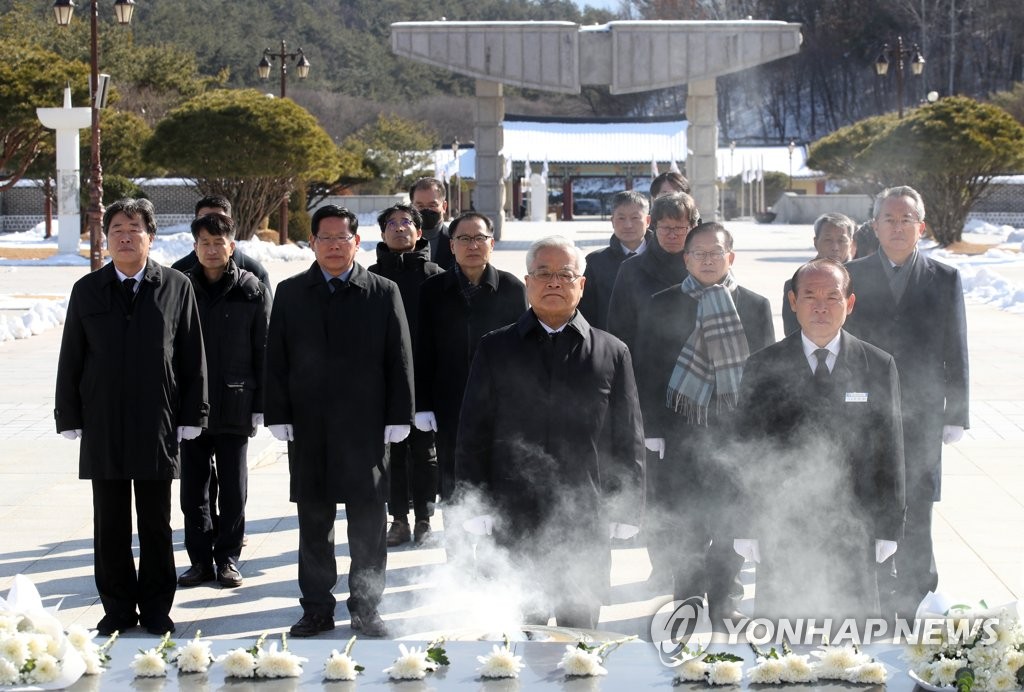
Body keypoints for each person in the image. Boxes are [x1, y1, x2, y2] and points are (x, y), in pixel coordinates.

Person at [455, 236, 646, 628]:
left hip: (585, 514)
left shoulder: (611, 352)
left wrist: (626, 505)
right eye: (543, 273)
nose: (554, 282)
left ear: (582, 284)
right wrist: (475, 501)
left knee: (581, 639)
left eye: (565, 274)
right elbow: (473, 431)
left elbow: (628, 438)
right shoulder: (497, 348)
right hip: (514, 511)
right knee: (524, 633)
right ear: (528, 281)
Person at [55, 198, 208, 636]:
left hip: (157, 419)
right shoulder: (87, 289)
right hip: (103, 421)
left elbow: (192, 356)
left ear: (150, 236)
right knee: (110, 523)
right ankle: (118, 609)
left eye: (134, 228)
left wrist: (194, 411)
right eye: (117, 228)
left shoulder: (176, 286)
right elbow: (72, 356)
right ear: (106, 238)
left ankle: (158, 608)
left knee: (156, 521)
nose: (125, 236)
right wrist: (68, 413)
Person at [264, 205, 414, 638]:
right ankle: (316, 608)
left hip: (366, 428)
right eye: (324, 238)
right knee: (314, 523)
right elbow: (277, 357)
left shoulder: (382, 292)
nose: (333, 245)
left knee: (368, 525)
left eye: (341, 237)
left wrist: (399, 415)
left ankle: (367, 607)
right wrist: (278, 413)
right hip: (310, 428)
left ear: (357, 242)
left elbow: (399, 357)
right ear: (312, 244)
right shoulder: (292, 292)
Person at [732, 259, 905, 624]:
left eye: (832, 296)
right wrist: (744, 525)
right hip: (783, 524)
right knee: (782, 648)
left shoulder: (877, 364)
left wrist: (888, 526)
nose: (821, 306)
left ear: (850, 303)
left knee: (852, 646)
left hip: (854, 524)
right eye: (810, 296)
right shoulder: (763, 365)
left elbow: (890, 451)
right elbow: (745, 449)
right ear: (793, 302)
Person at [635, 222, 774, 622]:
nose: (708, 260)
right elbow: (646, 369)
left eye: (716, 253)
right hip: (679, 430)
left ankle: (725, 600)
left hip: (735, 432)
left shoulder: (755, 305)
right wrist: (652, 430)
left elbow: (764, 373)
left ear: (731, 257)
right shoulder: (661, 302)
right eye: (699, 253)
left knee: (730, 520)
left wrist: (761, 433)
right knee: (687, 522)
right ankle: (688, 602)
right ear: (686, 259)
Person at [844, 186, 969, 619]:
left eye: (906, 219)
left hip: (922, 412)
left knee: (917, 506)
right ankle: (869, 593)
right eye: (889, 219)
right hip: (863, 410)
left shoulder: (945, 279)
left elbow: (957, 347)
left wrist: (957, 413)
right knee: (866, 500)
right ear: (874, 225)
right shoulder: (850, 275)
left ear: (922, 226)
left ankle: (918, 595)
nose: (897, 227)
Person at [177, 212, 271, 589]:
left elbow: (264, 349)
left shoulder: (251, 288)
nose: (212, 250)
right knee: (192, 491)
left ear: (232, 246)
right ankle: (199, 560)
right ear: (195, 247)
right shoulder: (181, 287)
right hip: (192, 406)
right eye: (205, 243)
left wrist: (263, 402)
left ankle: (228, 558)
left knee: (233, 488)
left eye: (219, 243)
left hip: (236, 402)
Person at [414, 212, 527, 500]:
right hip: (449, 403)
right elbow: (422, 350)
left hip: (501, 405)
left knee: (498, 480)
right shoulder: (432, 291)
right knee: (454, 483)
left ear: (492, 243)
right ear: (451, 245)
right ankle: (460, 545)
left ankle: (497, 544)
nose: (472, 246)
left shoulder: (512, 288)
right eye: (464, 239)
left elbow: (524, 349)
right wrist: (423, 405)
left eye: (480, 238)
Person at [368, 204, 443, 546]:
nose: (400, 229)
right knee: (392, 452)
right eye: (392, 224)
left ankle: (425, 519)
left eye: (407, 223)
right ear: (382, 233)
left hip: (427, 377)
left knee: (425, 452)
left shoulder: (436, 276)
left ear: (420, 232)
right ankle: (398, 519)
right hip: (384, 378)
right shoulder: (369, 277)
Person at [606, 192, 700, 357]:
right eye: (665, 228)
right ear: (654, 226)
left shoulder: (706, 268)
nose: (672, 235)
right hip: (646, 370)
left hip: (697, 367)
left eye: (679, 228)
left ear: (693, 227)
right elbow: (619, 330)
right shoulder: (631, 269)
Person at [577, 190, 653, 331]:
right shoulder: (595, 262)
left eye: (635, 218)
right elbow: (585, 312)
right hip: (608, 344)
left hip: (653, 346)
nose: (628, 225)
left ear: (648, 221)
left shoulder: (662, 259)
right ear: (612, 221)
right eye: (621, 218)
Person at [171, 195, 272, 295]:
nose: (211, 225)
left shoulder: (255, 272)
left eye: (219, 219)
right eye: (204, 219)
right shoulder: (179, 271)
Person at [782, 212, 857, 335]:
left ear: (851, 243)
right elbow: (792, 335)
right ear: (816, 242)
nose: (835, 247)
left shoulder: (865, 281)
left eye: (841, 240)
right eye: (828, 240)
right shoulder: (795, 285)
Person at [409, 177, 455, 269]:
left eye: (432, 205)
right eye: (420, 205)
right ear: (411, 208)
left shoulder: (457, 241)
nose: (426, 210)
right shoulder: (401, 241)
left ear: (444, 206)